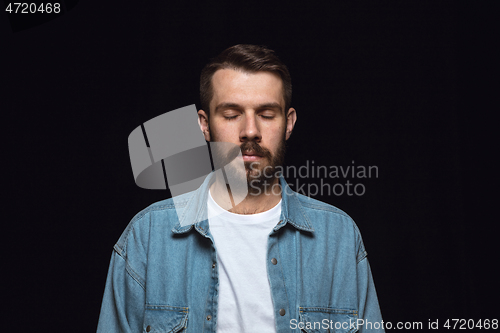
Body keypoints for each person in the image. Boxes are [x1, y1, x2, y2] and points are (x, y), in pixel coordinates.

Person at [97, 44, 384, 333]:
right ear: (204, 125)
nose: (250, 131)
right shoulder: (147, 236)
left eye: (267, 114)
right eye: (232, 114)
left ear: (289, 123)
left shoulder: (339, 238)